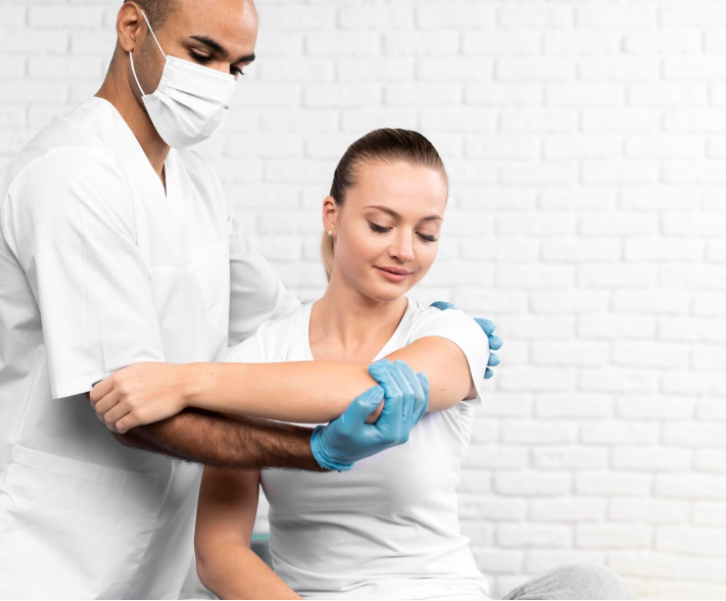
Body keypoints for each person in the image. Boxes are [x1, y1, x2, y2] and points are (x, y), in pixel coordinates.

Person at [0, 1, 499, 599]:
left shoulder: (197, 185)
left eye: (236, 68)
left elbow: (289, 325)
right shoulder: (72, 175)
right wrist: (315, 449)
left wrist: (436, 340)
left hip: (156, 547)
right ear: (132, 28)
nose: (218, 83)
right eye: (202, 55)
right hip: (58, 542)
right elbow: (129, 403)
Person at [90, 130, 634, 601]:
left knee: (592, 585)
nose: (405, 251)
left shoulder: (451, 334)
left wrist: (184, 382)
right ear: (332, 215)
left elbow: (357, 389)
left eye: (427, 233)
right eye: (381, 225)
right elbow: (219, 551)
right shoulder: (257, 360)